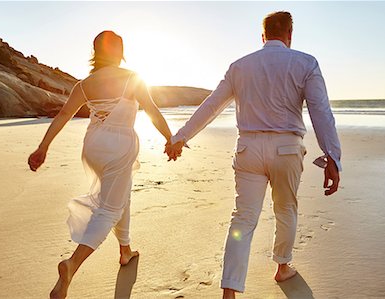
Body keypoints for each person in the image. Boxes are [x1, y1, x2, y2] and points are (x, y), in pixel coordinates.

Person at [166, 11, 341, 299]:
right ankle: (283, 267)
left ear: (262, 36)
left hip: (248, 149)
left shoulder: (239, 66)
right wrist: (332, 157)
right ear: (289, 35)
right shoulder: (306, 63)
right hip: (286, 149)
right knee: (285, 209)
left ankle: (230, 291)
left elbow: (211, 106)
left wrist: (179, 138)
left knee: (243, 219)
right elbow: (321, 113)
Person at [28, 31, 173, 299]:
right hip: (119, 146)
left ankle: (125, 250)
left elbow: (63, 114)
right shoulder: (132, 77)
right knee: (109, 209)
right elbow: (152, 110)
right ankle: (72, 265)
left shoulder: (84, 84)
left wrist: (43, 146)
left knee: (119, 195)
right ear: (120, 52)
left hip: (93, 146)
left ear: (96, 53)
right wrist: (170, 139)